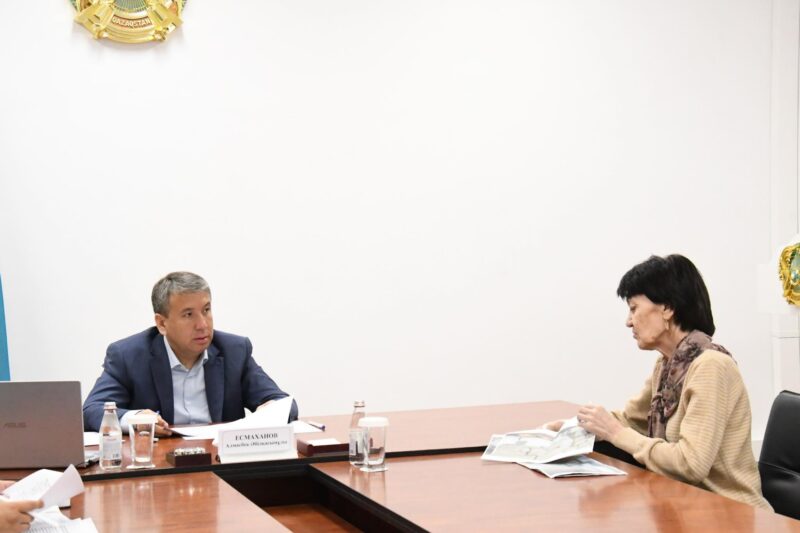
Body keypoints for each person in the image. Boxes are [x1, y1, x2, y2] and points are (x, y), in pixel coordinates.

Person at [546, 254, 770, 509]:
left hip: (730, 512)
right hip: (684, 506)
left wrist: (615, 433)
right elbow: (631, 420)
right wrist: (575, 428)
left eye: (634, 308)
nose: (628, 321)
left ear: (667, 308)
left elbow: (691, 464)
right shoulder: (667, 365)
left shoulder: (712, 367)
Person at [83, 272, 298, 435]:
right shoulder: (128, 356)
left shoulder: (234, 351)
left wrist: (272, 411)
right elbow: (91, 411)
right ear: (162, 323)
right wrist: (135, 419)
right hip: (162, 466)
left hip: (220, 463)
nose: (202, 324)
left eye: (206, 310)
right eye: (188, 315)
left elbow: (285, 403)